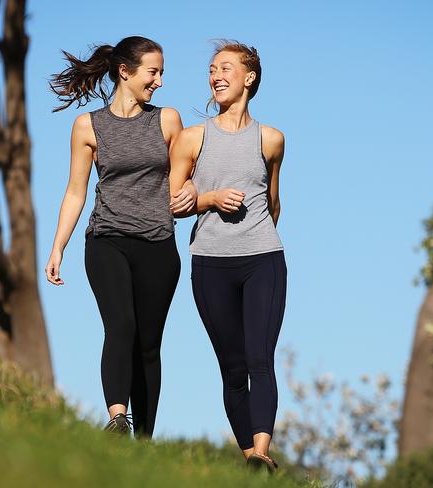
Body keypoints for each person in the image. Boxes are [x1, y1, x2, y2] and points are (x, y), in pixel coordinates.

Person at [45, 36, 195, 438]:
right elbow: (76, 189)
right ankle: (116, 418)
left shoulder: (167, 121)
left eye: (162, 72)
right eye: (153, 72)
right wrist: (58, 245)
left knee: (148, 345)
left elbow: (186, 179)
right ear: (125, 72)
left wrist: (194, 193)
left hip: (158, 243)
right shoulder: (88, 126)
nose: (159, 81)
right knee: (121, 325)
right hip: (107, 239)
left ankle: (143, 442)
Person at [169, 41, 287, 472]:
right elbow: (171, 203)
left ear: (249, 77)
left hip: (263, 259)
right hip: (210, 263)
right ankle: (251, 463)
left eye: (225, 68)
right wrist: (212, 198)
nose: (216, 76)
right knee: (233, 367)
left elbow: (273, 201)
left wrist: (259, 236)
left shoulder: (272, 139)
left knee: (261, 357)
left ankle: (261, 452)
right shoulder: (191, 138)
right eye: (211, 70)